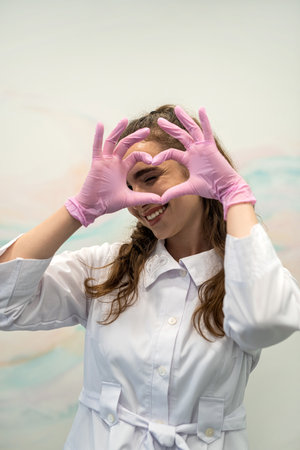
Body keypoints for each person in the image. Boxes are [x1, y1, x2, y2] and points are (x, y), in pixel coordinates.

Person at [0, 104, 299, 450]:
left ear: (200, 171)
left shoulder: (249, 276)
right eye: (128, 185)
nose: (137, 199)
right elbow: (6, 303)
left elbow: (263, 321)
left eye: (150, 178)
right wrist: (78, 209)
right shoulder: (106, 269)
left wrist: (233, 193)